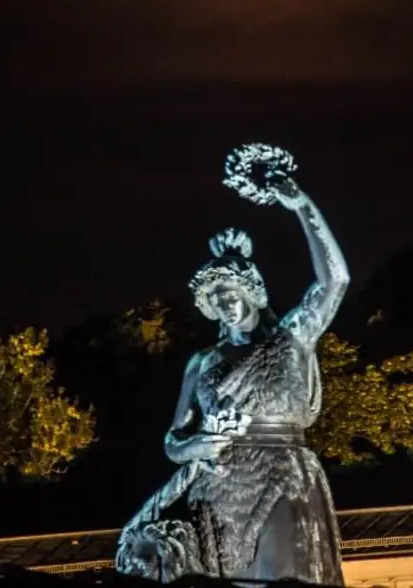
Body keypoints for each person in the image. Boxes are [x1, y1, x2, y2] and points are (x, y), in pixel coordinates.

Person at [116, 174, 350, 584]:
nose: (225, 305)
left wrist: (302, 206)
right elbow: (173, 441)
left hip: (282, 476)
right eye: (215, 299)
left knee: (284, 578)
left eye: (230, 294)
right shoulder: (202, 362)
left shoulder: (291, 338)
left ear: (251, 292)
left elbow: (336, 281)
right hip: (218, 490)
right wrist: (195, 446)